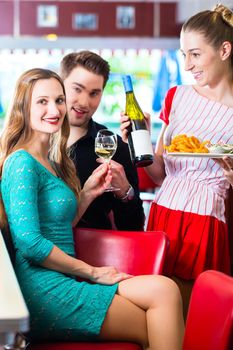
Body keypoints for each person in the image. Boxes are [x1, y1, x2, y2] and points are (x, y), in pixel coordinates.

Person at [0, 68, 184, 349]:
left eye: (59, 100)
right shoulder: (21, 161)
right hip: (43, 289)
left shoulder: (50, 159)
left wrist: (86, 195)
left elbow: (56, 227)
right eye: (42, 101)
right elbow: (29, 242)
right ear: (23, 107)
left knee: (166, 289)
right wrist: (93, 272)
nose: (55, 109)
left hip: (64, 279)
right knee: (153, 324)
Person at [121, 3, 233, 314]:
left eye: (195, 54)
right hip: (163, 211)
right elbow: (159, 173)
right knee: (155, 310)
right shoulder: (177, 97)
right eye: (184, 54)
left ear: (225, 50)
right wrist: (135, 138)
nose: (187, 65)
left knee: (193, 311)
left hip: (205, 217)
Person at [59, 51, 145, 230]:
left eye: (94, 93)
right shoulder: (35, 140)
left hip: (93, 252)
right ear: (60, 84)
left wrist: (125, 192)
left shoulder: (116, 148)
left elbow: (134, 227)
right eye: (77, 89)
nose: (84, 102)